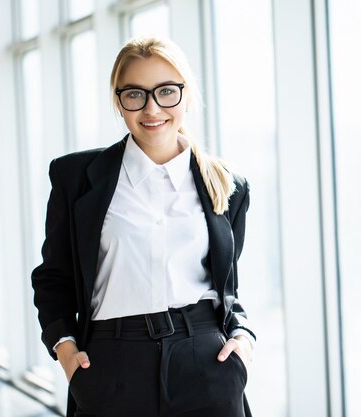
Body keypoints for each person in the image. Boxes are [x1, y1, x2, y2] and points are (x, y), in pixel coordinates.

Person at [31, 36, 255, 417]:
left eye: (166, 91)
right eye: (135, 94)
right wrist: (66, 350)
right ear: (118, 101)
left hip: (206, 362)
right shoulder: (75, 178)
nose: (152, 108)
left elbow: (227, 286)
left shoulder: (227, 184)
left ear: (186, 95)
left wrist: (243, 339)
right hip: (111, 366)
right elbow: (53, 277)